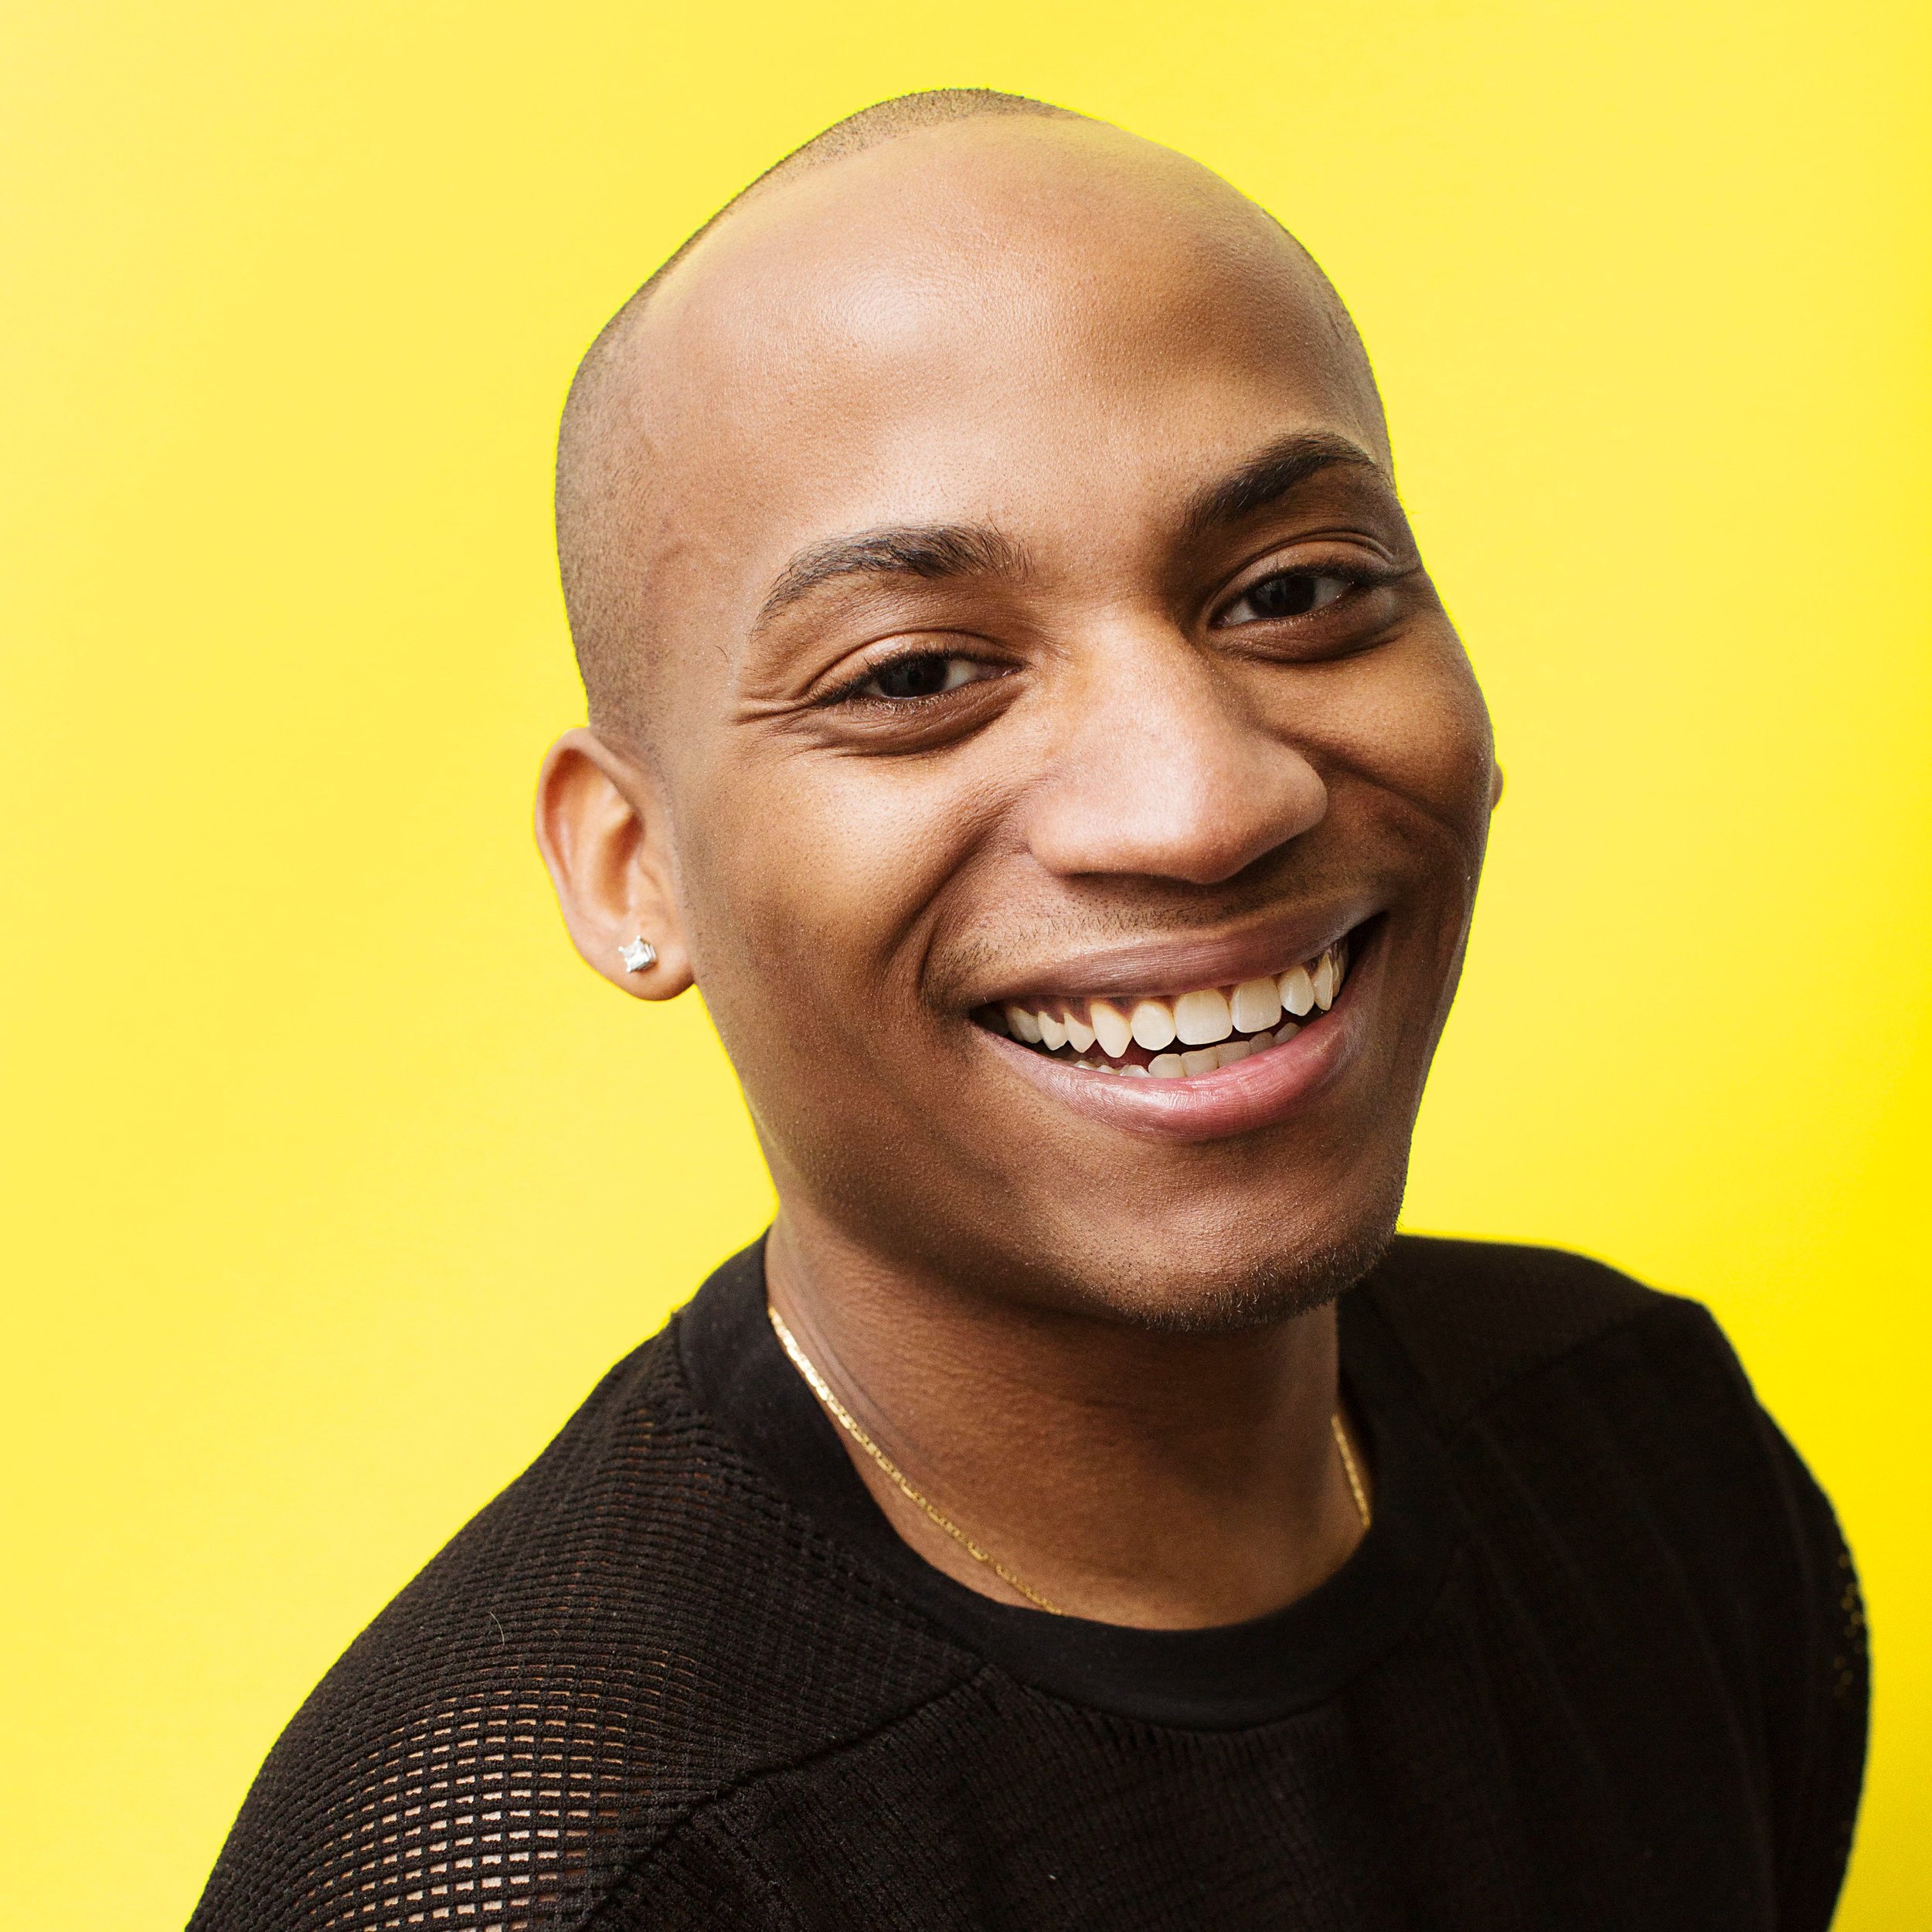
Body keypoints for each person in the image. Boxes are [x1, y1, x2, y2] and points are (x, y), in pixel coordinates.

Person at [190, 90, 1866, 1930]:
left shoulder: (1636, 1452)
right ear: (628, 864)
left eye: (1295, 590)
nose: (1200, 799)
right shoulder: (555, 1875)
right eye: (915, 673)